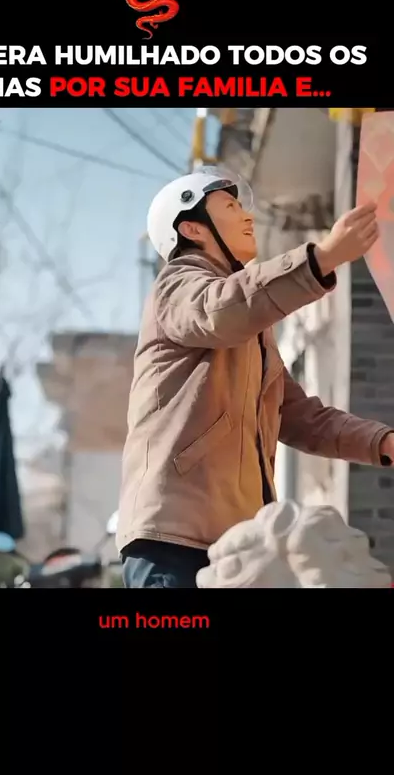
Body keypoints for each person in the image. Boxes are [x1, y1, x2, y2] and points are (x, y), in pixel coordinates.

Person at [115, 166, 394, 588]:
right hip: (173, 537)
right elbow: (220, 310)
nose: (247, 216)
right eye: (229, 207)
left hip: (238, 545)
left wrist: (384, 443)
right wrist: (322, 258)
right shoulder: (177, 286)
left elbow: (302, 418)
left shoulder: (251, 329)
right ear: (192, 228)